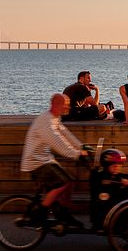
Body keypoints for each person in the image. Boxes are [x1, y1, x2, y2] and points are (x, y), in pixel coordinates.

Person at [19, 94, 92, 229]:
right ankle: (40, 213)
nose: (68, 107)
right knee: (61, 183)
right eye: (65, 104)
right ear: (56, 105)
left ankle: (64, 213)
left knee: (69, 181)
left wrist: (81, 146)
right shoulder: (45, 122)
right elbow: (57, 143)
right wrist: (77, 154)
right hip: (35, 162)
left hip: (44, 159)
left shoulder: (54, 118)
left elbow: (65, 134)